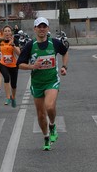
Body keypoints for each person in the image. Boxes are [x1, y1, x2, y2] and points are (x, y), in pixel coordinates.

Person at [17, 16, 69, 151]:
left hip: (52, 81)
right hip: (37, 84)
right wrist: (32, 67)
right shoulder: (30, 46)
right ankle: (46, 136)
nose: (41, 29)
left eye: (44, 26)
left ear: (47, 29)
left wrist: (64, 67)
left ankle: (52, 125)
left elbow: (65, 52)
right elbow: (20, 64)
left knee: (50, 106)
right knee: (40, 114)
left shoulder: (55, 43)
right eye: (39, 27)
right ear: (35, 29)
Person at [0, 24, 21, 107]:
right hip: (3, 63)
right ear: (3, 33)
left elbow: (19, 53)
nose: (7, 32)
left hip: (14, 65)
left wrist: (13, 46)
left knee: (14, 85)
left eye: (8, 31)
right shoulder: (0, 41)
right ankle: (8, 97)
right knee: (6, 78)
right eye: (5, 31)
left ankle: (13, 97)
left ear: (11, 33)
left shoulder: (15, 41)